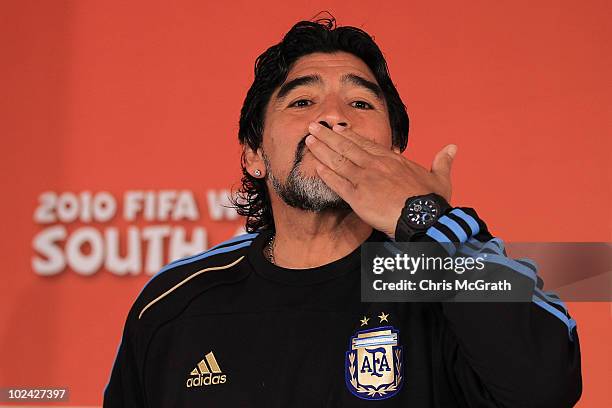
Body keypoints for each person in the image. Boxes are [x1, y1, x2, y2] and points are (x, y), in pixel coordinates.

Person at [103, 17, 581, 407]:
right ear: (254, 154)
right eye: (303, 101)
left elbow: (545, 385)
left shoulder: (437, 276)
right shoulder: (175, 304)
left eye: (359, 102)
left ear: (394, 150)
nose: (333, 117)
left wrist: (427, 221)